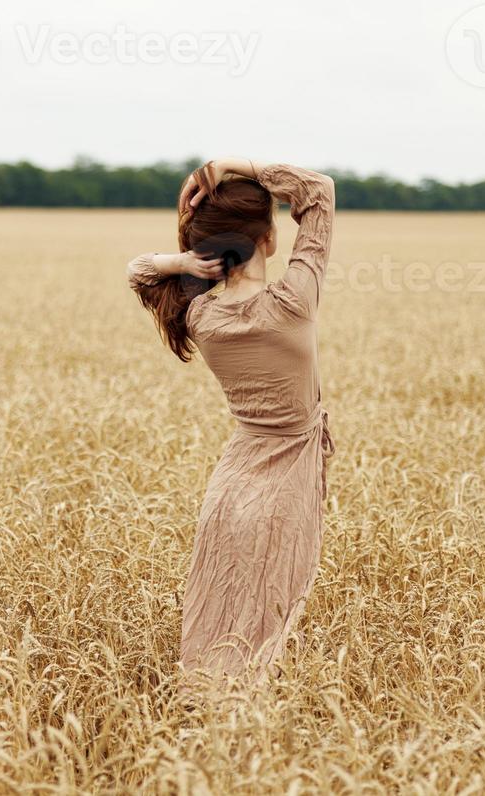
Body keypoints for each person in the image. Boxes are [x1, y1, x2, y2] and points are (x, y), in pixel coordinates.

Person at [126, 158, 336, 683]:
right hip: (287, 475)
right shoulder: (293, 301)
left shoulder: (201, 315)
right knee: (270, 616)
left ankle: (199, 708)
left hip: (232, 479)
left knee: (218, 604)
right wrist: (241, 166)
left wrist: (184, 263)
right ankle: (243, 728)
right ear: (268, 239)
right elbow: (319, 192)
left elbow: (139, 271)